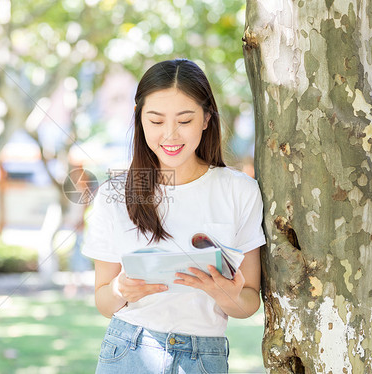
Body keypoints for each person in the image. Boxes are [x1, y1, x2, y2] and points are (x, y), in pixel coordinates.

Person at [82, 59, 266, 374]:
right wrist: (120, 290)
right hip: (128, 350)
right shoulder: (115, 194)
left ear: (207, 118)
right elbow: (103, 302)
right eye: (155, 121)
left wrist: (226, 295)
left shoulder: (240, 191)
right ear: (139, 119)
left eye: (184, 120)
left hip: (204, 357)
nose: (170, 135)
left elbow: (249, 303)